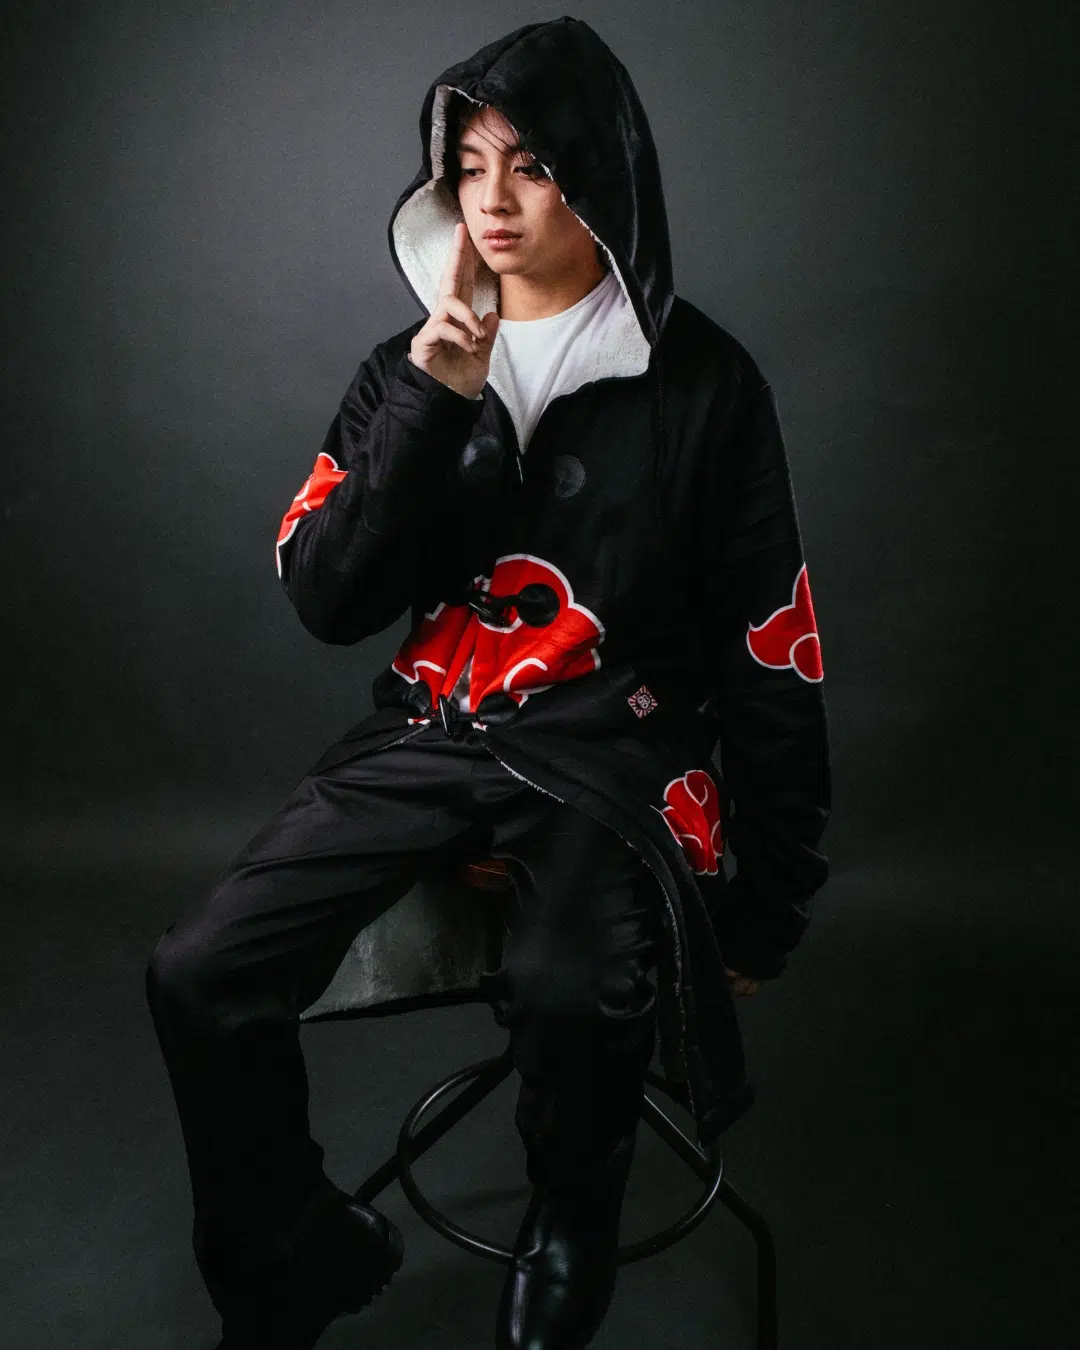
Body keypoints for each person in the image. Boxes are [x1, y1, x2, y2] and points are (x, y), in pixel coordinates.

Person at [145, 15, 831, 1350]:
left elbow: (772, 646)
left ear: (605, 178)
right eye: (471, 164)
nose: (497, 201)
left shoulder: (706, 387)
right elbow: (327, 598)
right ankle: (294, 1245)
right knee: (196, 968)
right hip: (431, 728)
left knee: (574, 987)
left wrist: (768, 900)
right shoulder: (400, 372)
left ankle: (569, 1228)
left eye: (535, 164)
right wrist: (432, 398)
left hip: (608, 755)